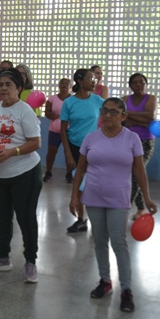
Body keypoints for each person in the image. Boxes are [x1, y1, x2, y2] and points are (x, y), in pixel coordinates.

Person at [70, 97, 158, 313]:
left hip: (119, 198)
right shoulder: (91, 138)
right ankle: (105, 281)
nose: (108, 116)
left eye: (114, 112)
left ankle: (126, 289)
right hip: (93, 196)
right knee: (100, 240)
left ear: (124, 116)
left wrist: (147, 198)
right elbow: (80, 169)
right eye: (105, 111)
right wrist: (74, 196)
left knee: (119, 242)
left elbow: (139, 170)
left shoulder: (132, 138)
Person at [0, 68, 43, 281]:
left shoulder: (25, 111)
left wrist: (11, 152)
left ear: (19, 88)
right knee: (2, 217)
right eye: (1, 84)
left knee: (26, 218)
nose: (4, 88)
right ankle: (2, 257)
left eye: (9, 84)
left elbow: (35, 143)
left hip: (24, 172)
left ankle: (31, 262)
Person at [61, 68, 104, 232]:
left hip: (94, 148)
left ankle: (97, 218)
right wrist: (68, 154)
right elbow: (63, 130)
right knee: (79, 184)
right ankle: (81, 220)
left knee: (94, 183)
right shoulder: (69, 102)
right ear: (80, 81)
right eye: (90, 78)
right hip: (74, 147)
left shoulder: (98, 100)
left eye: (95, 79)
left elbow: (113, 114)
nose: (94, 82)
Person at [122, 73, 157, 219]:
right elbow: (121, 117)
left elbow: (150, 117)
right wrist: (140, 120)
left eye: (142, 82)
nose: (138, 85)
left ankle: (124, 208)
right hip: (127, 140)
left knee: (136, 174)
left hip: (145, 141)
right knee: (131, 173)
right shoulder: (125, 99)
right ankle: (141, 208)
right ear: (130, 85)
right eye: (135, 82)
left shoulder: (151, 99)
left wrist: (129, 115)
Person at [43, 77, 72, 182]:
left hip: (69, 131)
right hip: (54, 130)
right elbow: (47, 112)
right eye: (62, 83)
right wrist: (53, 116)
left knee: (68, 152)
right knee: (52, 151)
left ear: (70, 87)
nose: (64, 85)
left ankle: (69, 173)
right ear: (59, 85)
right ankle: (48, 172)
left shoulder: (73, 99)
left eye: (67, 84)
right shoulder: (52, 98)